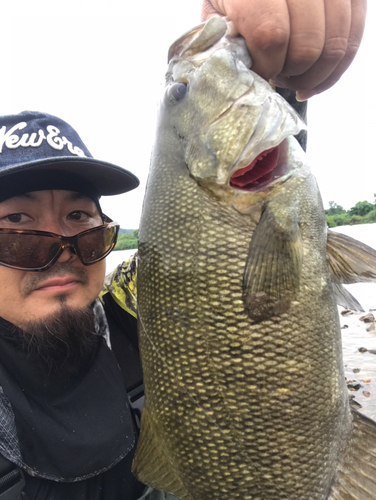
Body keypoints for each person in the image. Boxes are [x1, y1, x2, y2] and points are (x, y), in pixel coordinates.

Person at [0, 2, 367, 499]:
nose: (62, 249)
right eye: (16, 226)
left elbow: (255, 239)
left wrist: (272, 67)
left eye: (81, 221)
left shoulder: (138, 311)